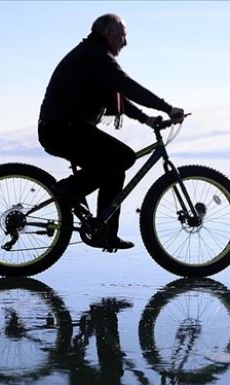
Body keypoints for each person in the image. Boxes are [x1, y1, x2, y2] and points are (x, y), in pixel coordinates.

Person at [38, 13, 184, 251]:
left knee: (115, 167)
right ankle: (69, 189)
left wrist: (146, 119)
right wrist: (167, 108)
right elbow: (125, 85)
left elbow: (115, 97)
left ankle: (106, 234)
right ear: (109, 33)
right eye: (123, 36)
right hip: (63, 129)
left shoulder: (92, 55)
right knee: (123, 157)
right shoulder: (96, 56)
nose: (125, 43)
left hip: (63, 128)